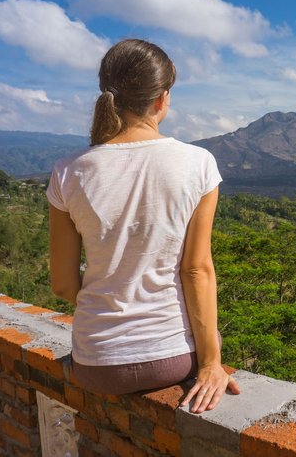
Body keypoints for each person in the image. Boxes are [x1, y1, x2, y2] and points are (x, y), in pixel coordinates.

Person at [47, 38, 240, 413]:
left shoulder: (68, 170)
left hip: (95, 363)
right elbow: (196, 270)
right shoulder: (197, 163)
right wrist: (212, 364)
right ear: (162, 99)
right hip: (171, 359)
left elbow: (63, 283)